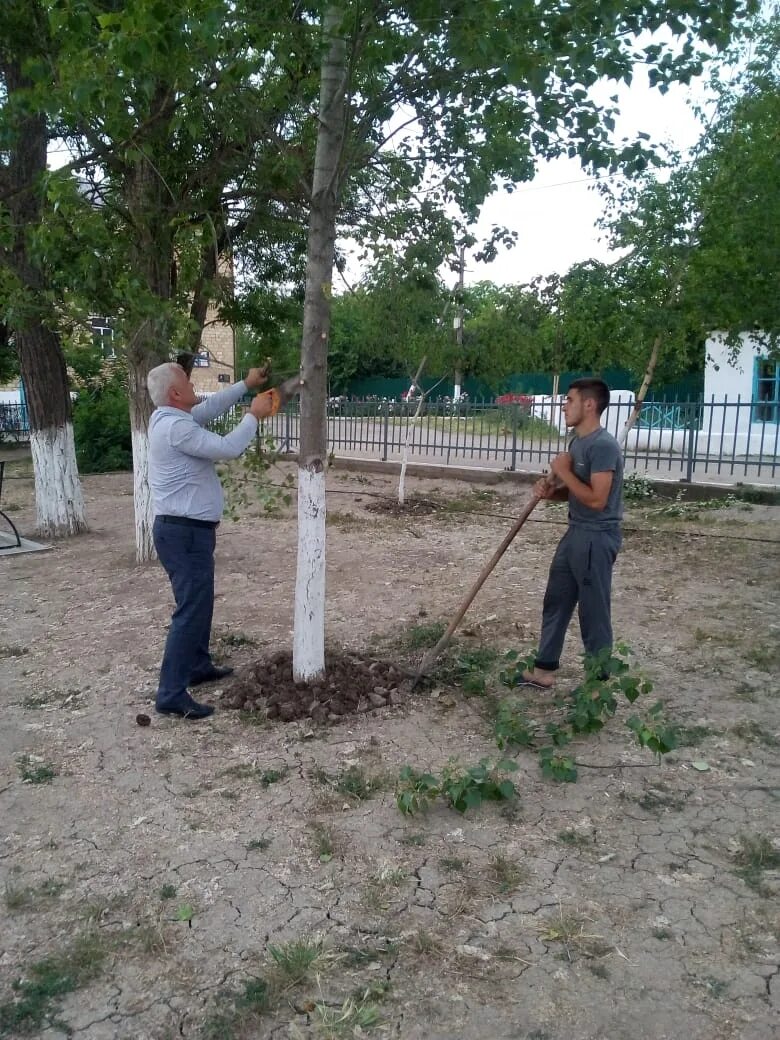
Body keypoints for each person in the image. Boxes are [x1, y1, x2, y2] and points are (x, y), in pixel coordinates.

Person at [147, 362, 275, 719]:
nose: (193, 385)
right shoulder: (176, 429)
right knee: (190, 610)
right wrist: (253, 415)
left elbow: (210, 407)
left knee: (199, 604)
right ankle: (171, 693)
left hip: (186, 531)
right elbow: (229, 447)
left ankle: (197, 665)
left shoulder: (171, 417)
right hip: (183, 533)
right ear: (175, 393)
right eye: (187, 381)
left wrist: (245, 385)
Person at [522, 378, 624, 689]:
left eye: (569, 400)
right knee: (557, 599)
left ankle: (598, 685)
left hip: (596, 535)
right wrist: (549, 492)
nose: (564, 406)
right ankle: (544, 669)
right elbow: (577, 493)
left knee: (593, 610)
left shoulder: (603, 445)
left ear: (589, 405)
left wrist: (563, 470)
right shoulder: (576, 443)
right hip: (575, 532)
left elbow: (597, 499)